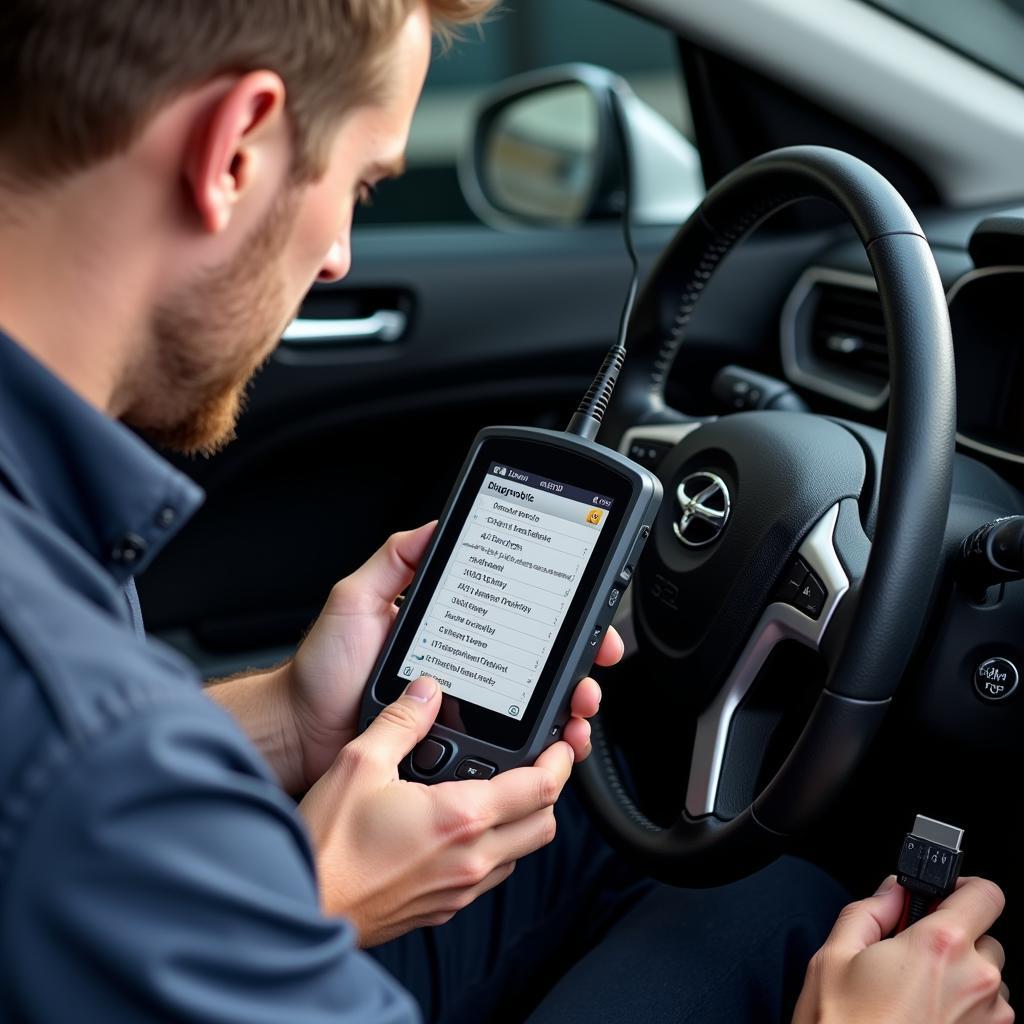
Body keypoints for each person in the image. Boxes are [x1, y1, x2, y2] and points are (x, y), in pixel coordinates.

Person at [0, 2, 1012, 1022]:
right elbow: (81, 788)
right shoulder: (85, 738)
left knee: (643, 845)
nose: (340, 254)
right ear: (235, 148)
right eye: (359, 185)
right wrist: (309, 906)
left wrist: (289, 720)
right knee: (788, 917)